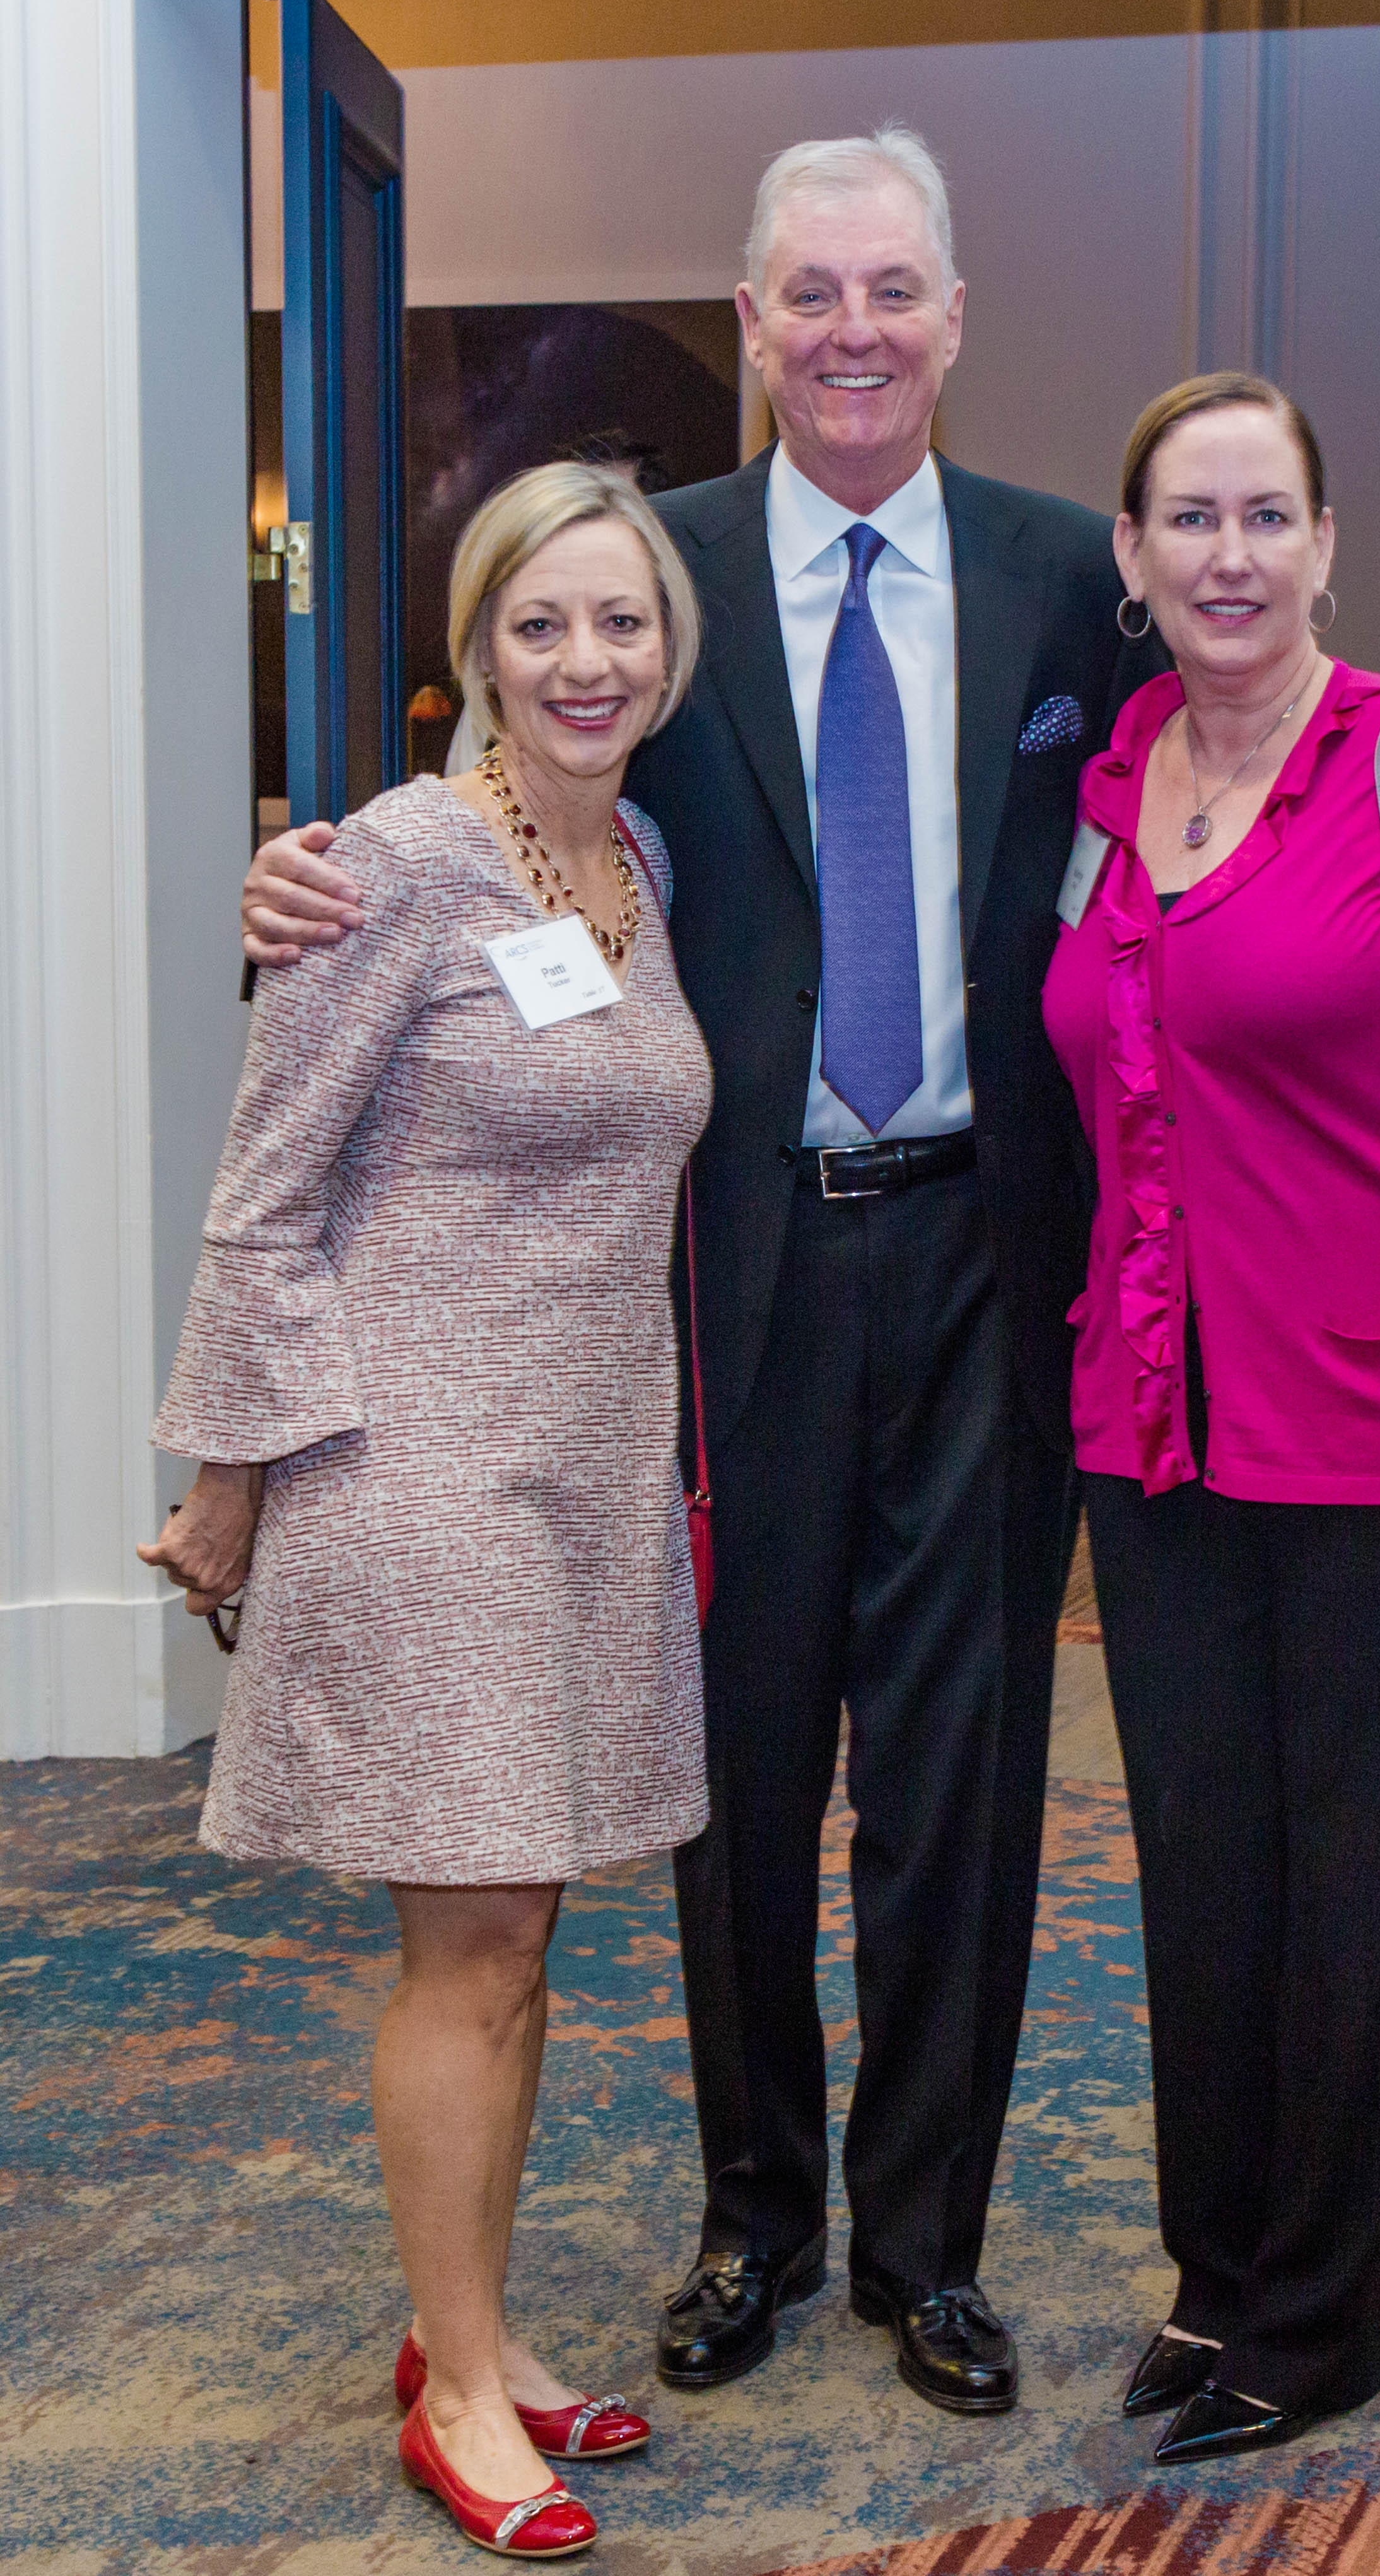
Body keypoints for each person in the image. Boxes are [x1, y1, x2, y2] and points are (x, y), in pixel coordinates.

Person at [237, 126, 1169, 2416]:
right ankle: (758, 2218)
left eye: (892, 290)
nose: (853, 332)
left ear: (953, 319)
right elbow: (517, 808)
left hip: (987, 1255)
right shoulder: (659, 575)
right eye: (808, 294)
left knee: (960, 1775)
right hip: (718, 1274)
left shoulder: (1076, 580)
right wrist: (311, 873)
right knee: (731, 1773)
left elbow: (1222, 775)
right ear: (754, 325)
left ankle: (927, 2246)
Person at [141, 462, 711, 2556]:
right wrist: (234, 1479)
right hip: (422, 1476)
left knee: (523, 1932)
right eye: (540, 624)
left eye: (622, 621)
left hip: (590, 1469)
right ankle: (460, 2393)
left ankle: (466, 2326)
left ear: (671, 648)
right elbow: (263, 1195)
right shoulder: (388, 863)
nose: (586, 661)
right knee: (468, 1943)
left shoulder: (637, 855)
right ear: (477, 648)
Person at [1041, 371, 1380, 2461]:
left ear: (1327, 543)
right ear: (1132, 554)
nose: (1230, 556)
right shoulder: (1114, 786)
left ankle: (1321, 2312)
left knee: (1356, 1892)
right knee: (1203, 1876)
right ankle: (1218, 2276)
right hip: (1158, 1436)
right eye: (1189, 519)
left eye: (1266, 515)